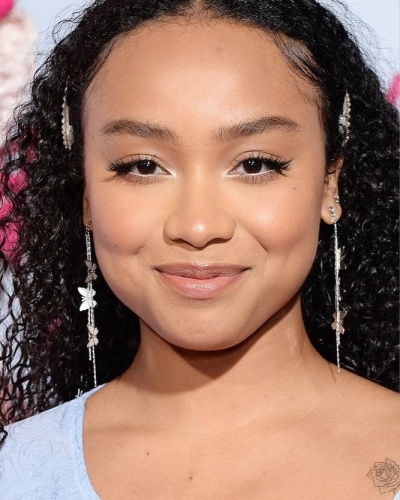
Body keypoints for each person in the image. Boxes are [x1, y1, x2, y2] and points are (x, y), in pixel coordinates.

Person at [0, 0, 399, 498]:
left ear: (329, 183)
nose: (198, 226)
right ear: (85, 194)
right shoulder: (14, 471)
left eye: (255, 164)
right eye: (142, 166)